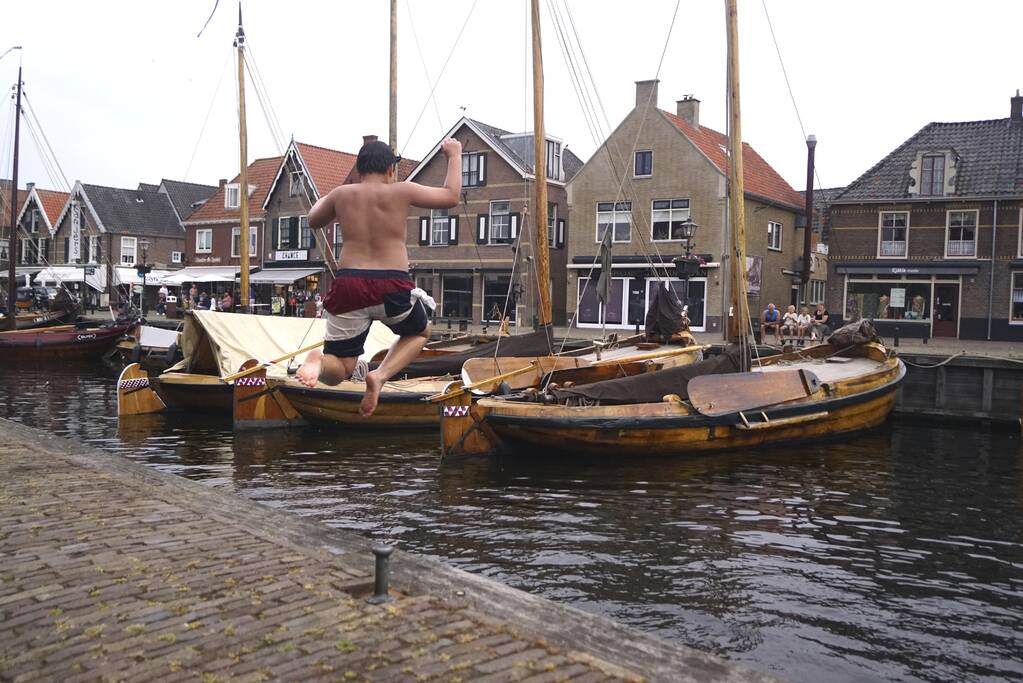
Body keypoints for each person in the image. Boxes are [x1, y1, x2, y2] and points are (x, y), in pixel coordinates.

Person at [296, 137, 462, 416]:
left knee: (342, 367)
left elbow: (314, 219)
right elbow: (451, 196)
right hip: (391, 284)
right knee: (419, 332)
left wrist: (336, 195)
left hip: (349, 285)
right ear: (390, 169)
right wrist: (454, 155)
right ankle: (380, 375)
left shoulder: (341, 194)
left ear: (359, 170)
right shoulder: (402, 190)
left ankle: (319, 362)